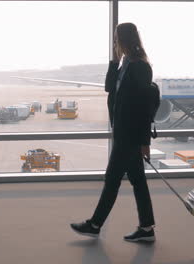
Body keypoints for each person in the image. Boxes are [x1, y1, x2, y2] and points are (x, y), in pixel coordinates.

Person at [70, 22, 156, 242]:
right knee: (137, 181)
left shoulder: (140, 67)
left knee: (112, 180)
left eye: (117, 38)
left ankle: (95, 224)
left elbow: (144, 108)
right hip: (122, 131)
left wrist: (144, 141)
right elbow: (110, 87)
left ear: (125, 39)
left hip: (130, 136)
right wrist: (114, 61)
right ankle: (146, 228)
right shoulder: (126, 63)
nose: (115, 42)